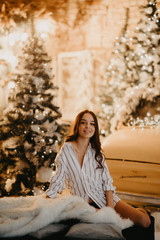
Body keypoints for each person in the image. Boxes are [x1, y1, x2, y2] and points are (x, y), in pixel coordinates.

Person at [46, 110, 151, 228]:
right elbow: (58, 178)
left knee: (145, 221)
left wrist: (110, 208)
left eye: (92, 124)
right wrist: (47, 200)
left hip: (105, 199)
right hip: (83, 205)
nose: (88, 127)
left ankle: (140, 210)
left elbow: (107, 181)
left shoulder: (97, 151)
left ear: (95, 128)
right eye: (83, 123)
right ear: (77, 125)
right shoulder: (66, 149)